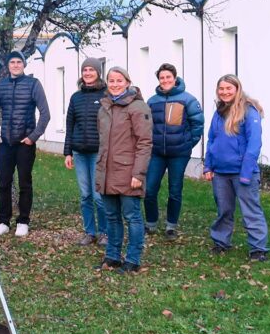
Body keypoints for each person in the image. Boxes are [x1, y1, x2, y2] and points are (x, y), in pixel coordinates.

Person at [203, 75, 269, 262]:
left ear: (237, 89)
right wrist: (208, 165)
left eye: (228, 88)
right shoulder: (219, 112)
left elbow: (254, 144)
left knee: (251, 210)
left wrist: (247, 173)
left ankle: (258, 248)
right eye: (221, 89)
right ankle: (221, 242)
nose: (224, 92)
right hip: (220, 173)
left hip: (242, 172)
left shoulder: (249, 111)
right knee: (224, 209)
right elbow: (212, 140)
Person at [95, 66, 153, 273]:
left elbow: (145, 143)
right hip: (107, 171)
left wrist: (139, 174)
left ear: (127, 82)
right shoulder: (104, 107)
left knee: (132, 217)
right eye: (111, 80)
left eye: (119, 80)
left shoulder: (138, 107)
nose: (115, 84)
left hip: (128, 172)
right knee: (111, 216)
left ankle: (133, 259)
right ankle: (112, 256)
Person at [0, 50, 50, 238]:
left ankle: (23, 221)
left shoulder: (33, 84)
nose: (15, 65)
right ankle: (3, 222)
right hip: (5, 143)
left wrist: (33, 137)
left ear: (24, 65)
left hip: (25, 144)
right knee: (3, 183)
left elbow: (45, 114)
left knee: (25, 183)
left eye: (18, 62)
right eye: (12, 62)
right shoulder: (2, 85)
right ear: (8, 66)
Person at [144, 63, 204, 239]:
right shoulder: (152, 101)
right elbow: (146, 126)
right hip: (156, 153)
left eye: (168, 77)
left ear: (175, 78)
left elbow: (197, 125)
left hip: (179, 154)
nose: (165, 80)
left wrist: (186, 145)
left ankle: (171, 226)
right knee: (149, 189)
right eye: (162, 78)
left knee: (175, 190)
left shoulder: (188, 99)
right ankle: (151, 223)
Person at [63, 57, 108, 246]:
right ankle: (90, 232)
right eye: (85, 70)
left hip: (99, 153)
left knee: (99, 196)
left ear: (98, 72)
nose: (88, 73)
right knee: (85, 196)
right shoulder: (76, 97)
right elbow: (70, 124)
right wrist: (68, 152)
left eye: (91, 69)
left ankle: (105, 232)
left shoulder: (106, 95)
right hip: (80, 153)